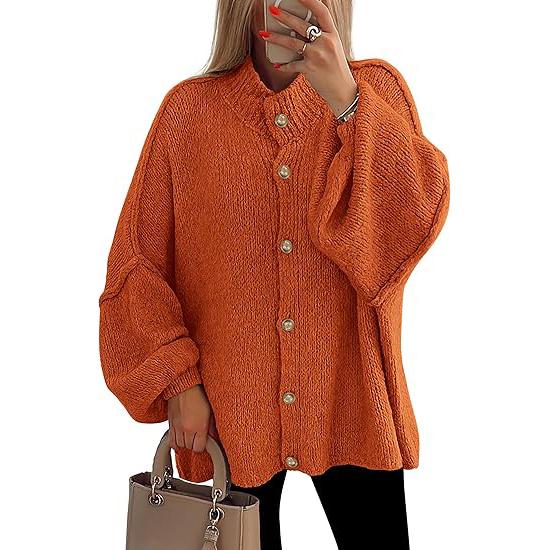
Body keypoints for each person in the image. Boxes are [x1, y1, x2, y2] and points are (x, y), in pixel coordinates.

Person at [98, 1, 450, 548]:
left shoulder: (374, 96)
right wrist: (178, 381)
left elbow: (406, 231)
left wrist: (346, 101)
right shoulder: (189, 114)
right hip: (232, 409)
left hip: (351, 399)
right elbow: (136, 264)